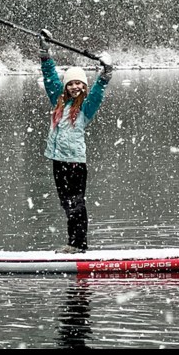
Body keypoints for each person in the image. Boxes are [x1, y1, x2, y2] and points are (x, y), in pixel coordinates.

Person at [38, 29, 113, 254]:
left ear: (83, 86)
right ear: (66, 86)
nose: (74, 87)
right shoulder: (58, 102)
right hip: (58, 162)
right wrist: (44, 52)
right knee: (66, 204)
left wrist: (106, 73)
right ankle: (74, 244)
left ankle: (79, 245)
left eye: (79, 84)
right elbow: (50, 77)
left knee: (76, 203)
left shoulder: (86, 108)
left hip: (75, 164)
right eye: (71, 83)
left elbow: (99, 91)